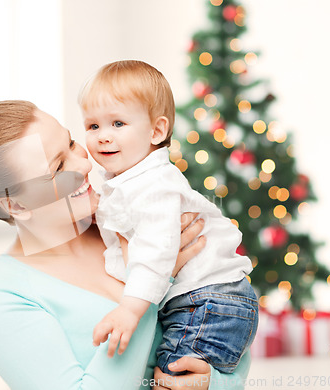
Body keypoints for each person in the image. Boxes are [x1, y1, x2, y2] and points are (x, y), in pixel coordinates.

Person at [0, 100, 252, 390]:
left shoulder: (131, 224)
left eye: (72, 143)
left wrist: (216, 382)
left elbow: (222, 318)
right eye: (58, 167)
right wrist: (152, 286)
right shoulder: (2, 296)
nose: (85, 164)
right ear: (16, 205)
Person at [79, 60, 258, 375]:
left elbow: (155, 252)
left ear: (157, 130)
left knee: (169, 379)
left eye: (118, 123)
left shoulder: (155, 185)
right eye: (93, 126)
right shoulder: (128, 180)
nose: (103, 136)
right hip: (208, 301)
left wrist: (130, 311)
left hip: (208, 302)